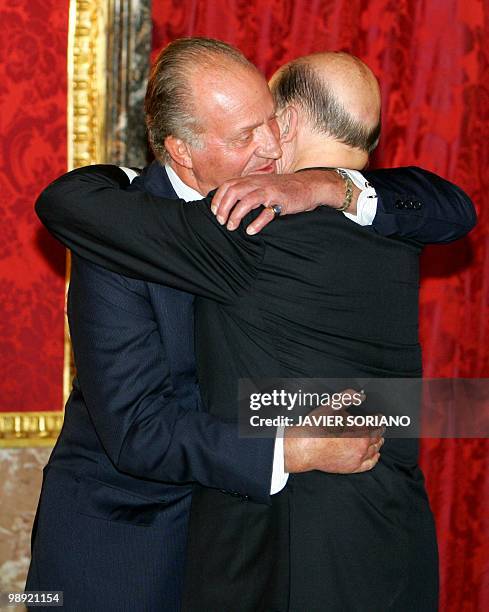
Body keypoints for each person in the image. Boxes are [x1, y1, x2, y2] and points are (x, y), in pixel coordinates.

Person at [32, 39, 476, 612]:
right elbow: (139, 431)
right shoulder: (121, 234)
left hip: (243, 540)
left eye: (271, 121)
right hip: (131, 543)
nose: (271, 147)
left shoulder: (289, 209)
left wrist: (325, 183)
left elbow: (449, 208)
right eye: (245, 136)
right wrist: (291, 449)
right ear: (182, 153)